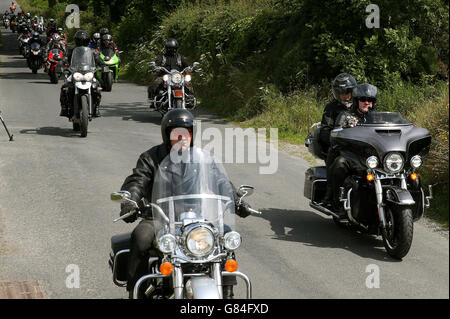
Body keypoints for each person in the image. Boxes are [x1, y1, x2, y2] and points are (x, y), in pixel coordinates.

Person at [119, 109, 253, 299]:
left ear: (192, 134)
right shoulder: (151, 157)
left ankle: (228, 292)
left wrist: (237, 199)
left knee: (226, 235)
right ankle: (137, 292)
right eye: (176, 133)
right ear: (167, 135)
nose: (181, 138)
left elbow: (222, 182)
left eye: (186, 133)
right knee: (141, 237)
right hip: (160, 217)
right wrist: (130, 200)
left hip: (198, 216)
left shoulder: (203, 159)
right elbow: (137, 180)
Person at [326, 83, 378, 216]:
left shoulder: (377, 118)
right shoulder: (345, 116)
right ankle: (336, 200)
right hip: (352, 155)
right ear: (356, 101)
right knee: (340, 164)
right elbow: (335, 136)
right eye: (363, 99)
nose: (367, 102)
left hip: (373, 158)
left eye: (370, 100)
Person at [319, 73, 357, 208]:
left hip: (359, 147)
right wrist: (336, 137)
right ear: (336, 93)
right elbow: (324, 132)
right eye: (341, 93)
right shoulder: (331, 108)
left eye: (348, 92)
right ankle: (330, 193)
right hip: (339, 148)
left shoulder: (360, 106)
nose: (345, 96)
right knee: (336, 160)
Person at [59, 30, 104, 117]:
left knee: (97, 86)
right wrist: (61, 66)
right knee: (64, 87)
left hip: (88, 73)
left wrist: (103, 66)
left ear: (87, 41)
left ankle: (96, 107)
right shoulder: (71, 50)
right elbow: (64, 59)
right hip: (74, 73)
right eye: (80, 40)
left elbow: (99, 60)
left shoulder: (92, 51)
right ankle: (64, 108)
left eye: (84, 40)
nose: (82, 42)